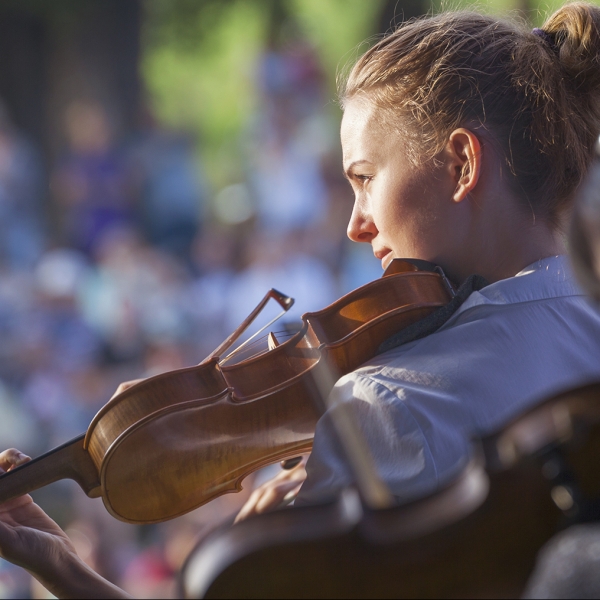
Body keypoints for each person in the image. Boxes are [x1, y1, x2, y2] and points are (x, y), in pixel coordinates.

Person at [2, 3, 600, 597]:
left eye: (365, 179)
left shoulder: (390, 405)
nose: (356, 225)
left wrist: (67, 571)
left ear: (462, 163)